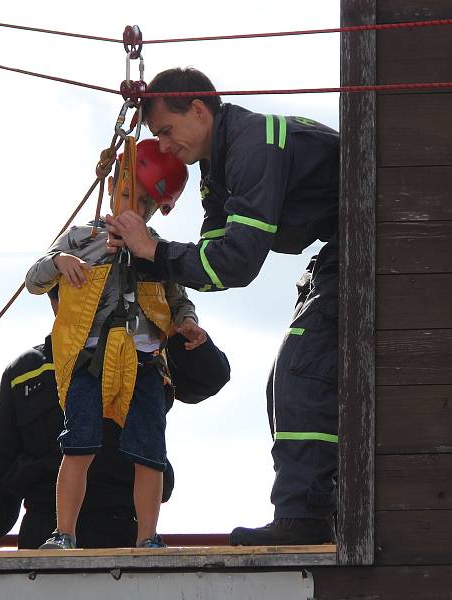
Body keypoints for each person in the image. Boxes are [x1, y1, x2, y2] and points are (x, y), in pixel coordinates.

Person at [106, 68, 340, 546]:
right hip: (343, 243)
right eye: (156, 139)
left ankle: (306, 519)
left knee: (302, 371)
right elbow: (214, 263)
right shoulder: (217, 169)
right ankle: (314, 510)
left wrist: (154, 250)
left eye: (166, 132)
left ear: (198, 110)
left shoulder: (253, 145)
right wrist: (160, 278)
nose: (165, 148)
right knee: (290, 378)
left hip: (377, 234)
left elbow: (235, 263)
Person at [25, 138, 208, 550]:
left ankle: (148, 538)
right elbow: (33, 281)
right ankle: (64, 533)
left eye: (146, 204)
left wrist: (189, 324)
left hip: (143, 362)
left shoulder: (157, 249)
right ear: (112, 188)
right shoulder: (80, 239)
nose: (136, 209)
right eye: (132, 196)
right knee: (79, 444)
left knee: (149, 451)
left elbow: (179, 299)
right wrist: (58, 263)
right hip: (92, 359)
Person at [0, 285, 231, 550]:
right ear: (55, 303)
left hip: (123, 533)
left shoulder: (146, 361)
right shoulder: (24, 371)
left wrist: (186, 332)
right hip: (43, 533)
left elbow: (210, 379)